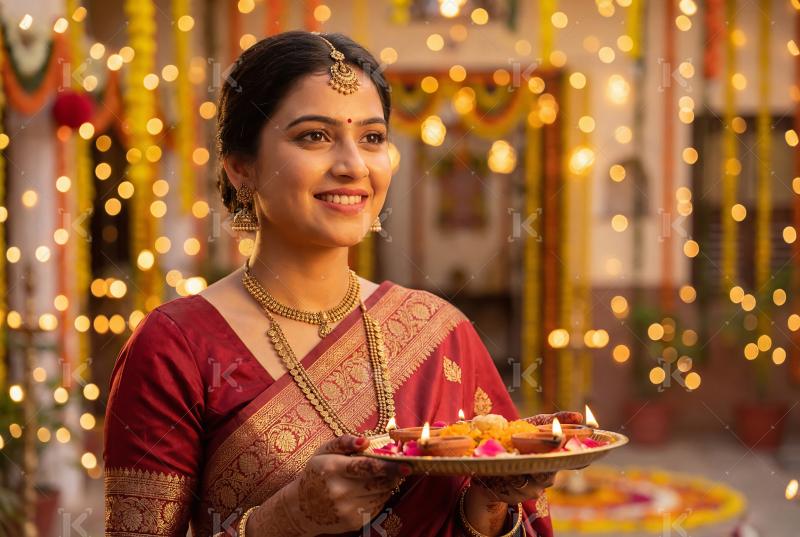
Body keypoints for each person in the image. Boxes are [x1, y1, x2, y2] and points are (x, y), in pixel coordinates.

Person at [103, 31, 582, 537]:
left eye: (372, 138)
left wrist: (490, 500)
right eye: (314, 135)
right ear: (241, 168)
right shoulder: (174, 348)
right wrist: (282, 521)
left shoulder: (442, 332)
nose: (353, 165)